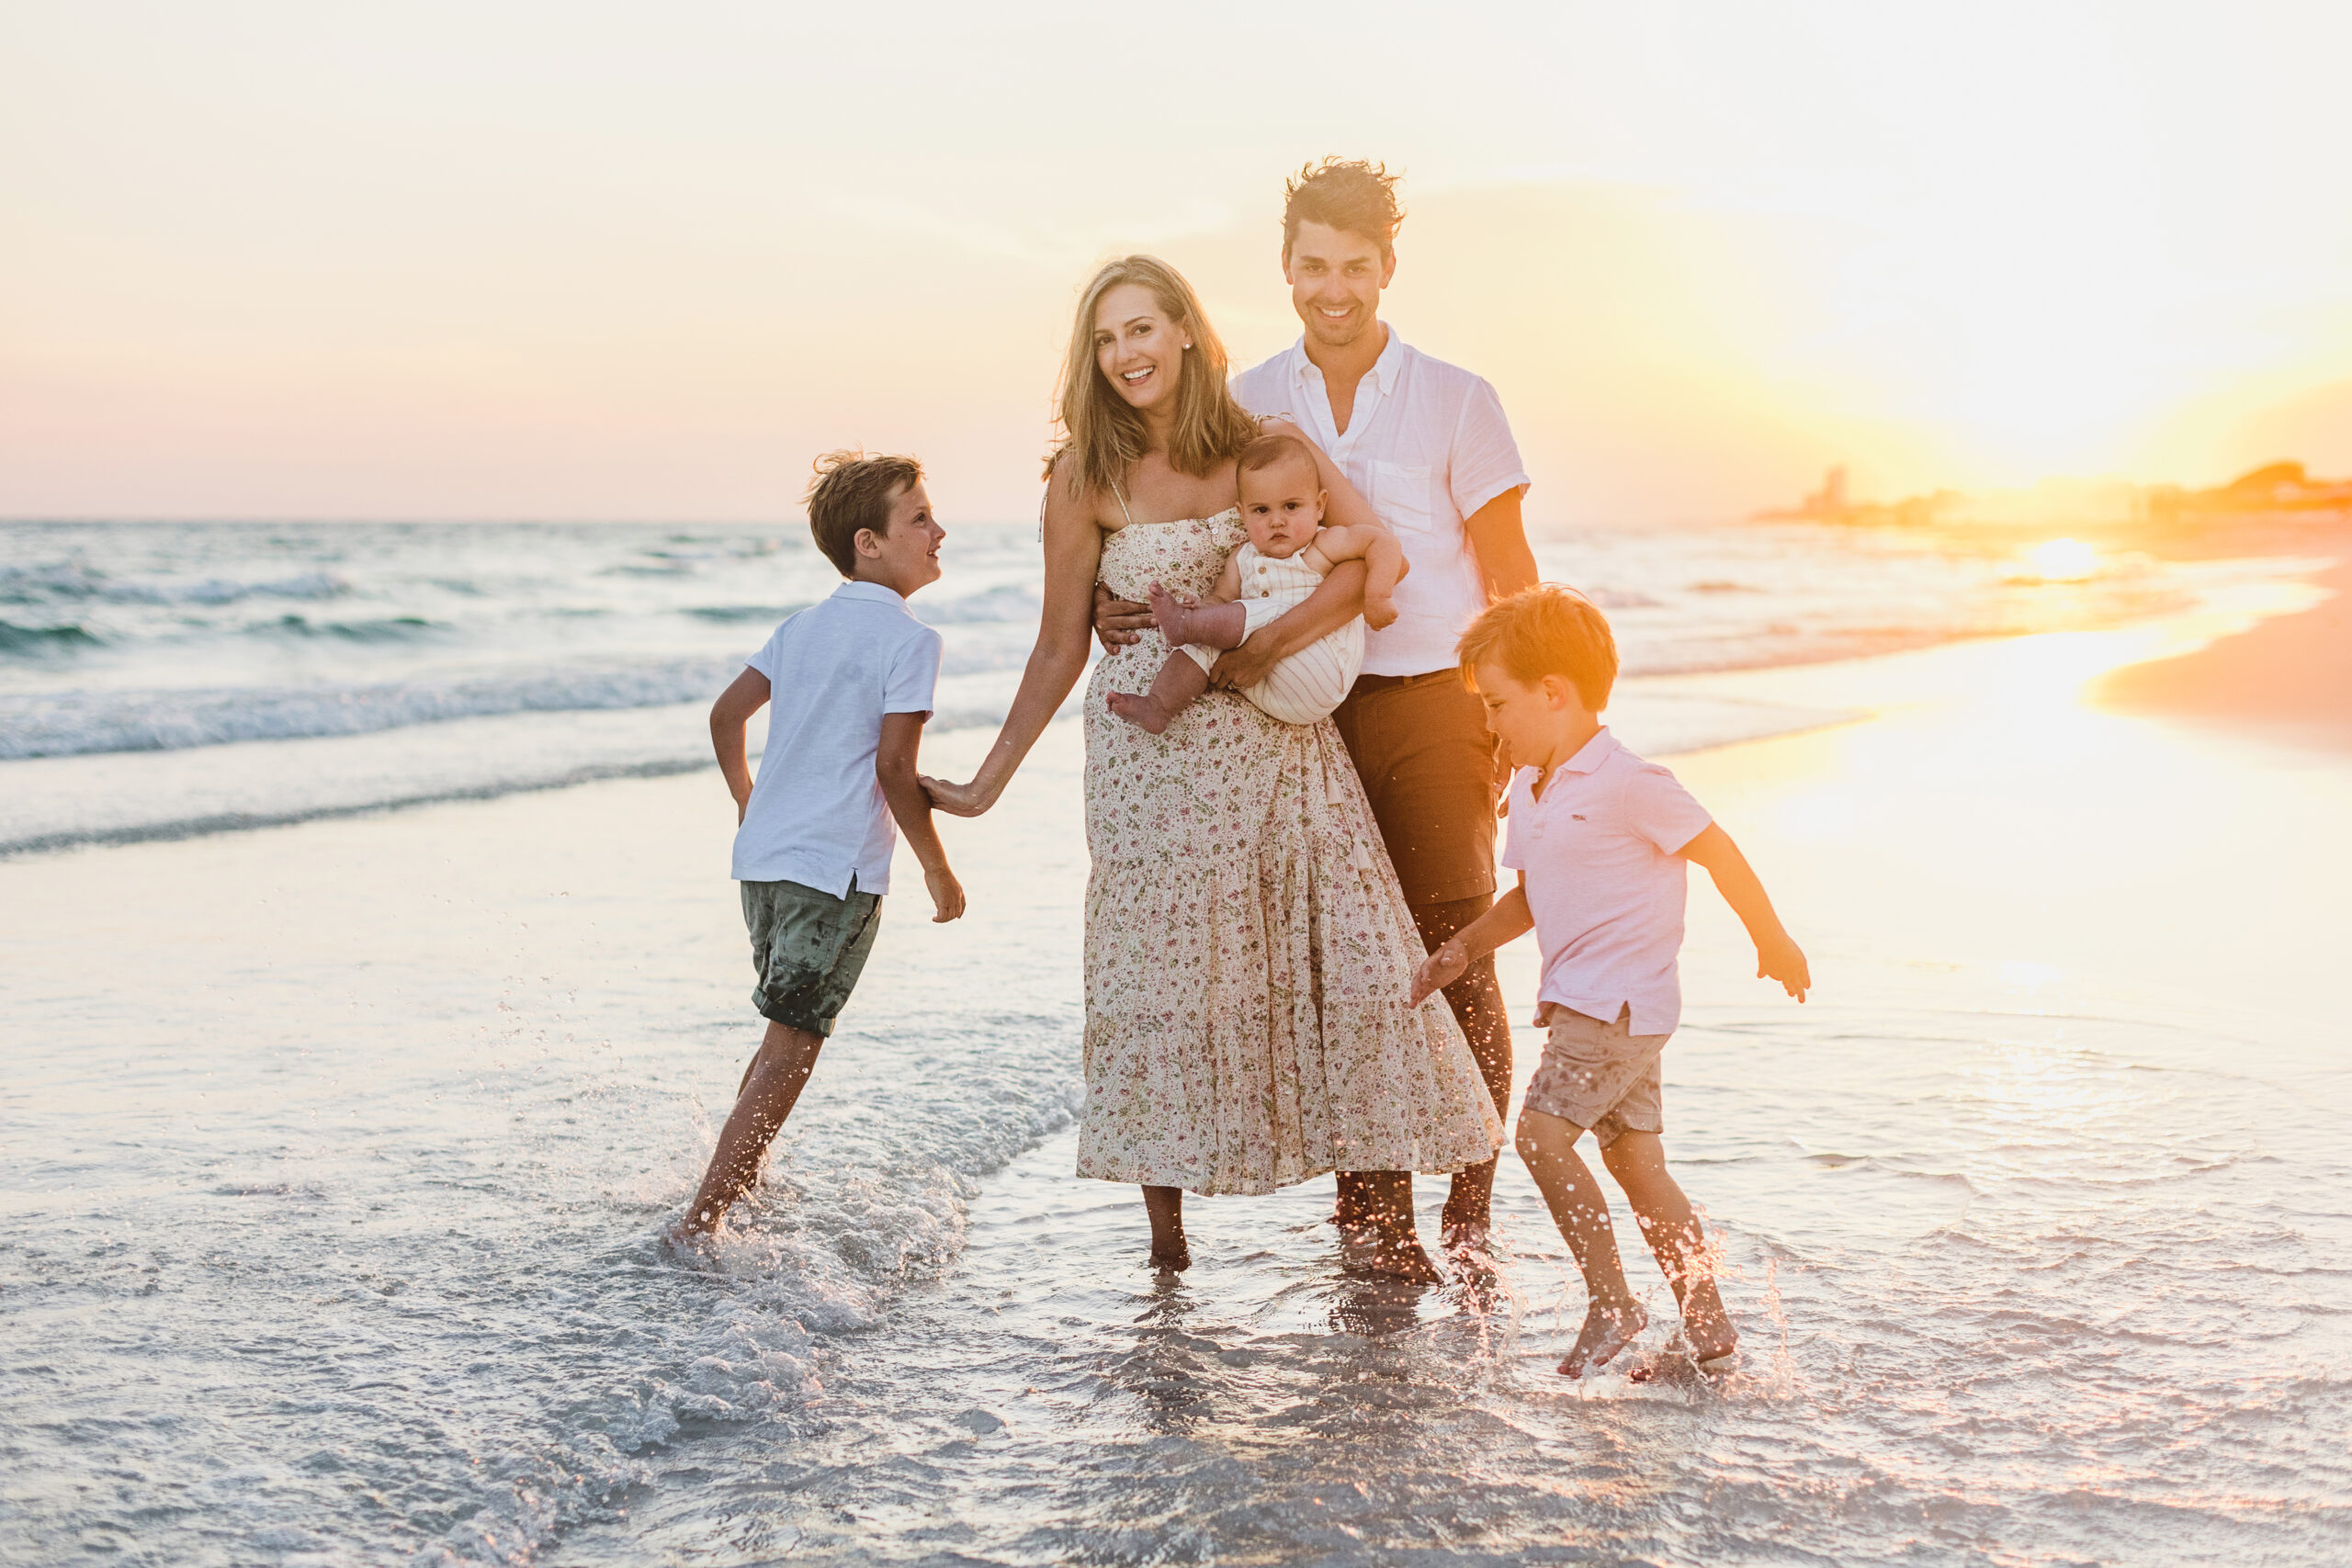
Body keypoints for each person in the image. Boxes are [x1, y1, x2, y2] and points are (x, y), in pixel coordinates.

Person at [922, 254, 1498, 1280]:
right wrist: (985, 781)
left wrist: (1261, 650)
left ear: (1185, 330)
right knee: (1160, 986)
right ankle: (1167, 1252)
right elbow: (1060, 644)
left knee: (1349, 972)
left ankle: (1387, 1231)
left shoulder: (1256, 446)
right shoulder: (1083, 479)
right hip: (1149, 764)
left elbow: (1370, 556)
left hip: (1278, 747)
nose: (1126, 354)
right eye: (1105, 340)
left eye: (1141, 329)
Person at [1097, 159, 1536, 1258]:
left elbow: (1512, 580)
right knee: (1350, 965)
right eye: (1310, 266)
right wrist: (1122, 607)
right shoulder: (1252, 403)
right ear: (1285, 267)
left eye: (1354, 267)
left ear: (1387, 267)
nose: (1331, 289)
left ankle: (1470, 1214)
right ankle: (1375, 1221)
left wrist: (1516, 730)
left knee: (1451, 947)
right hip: (1300, 728)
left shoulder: (1459, 398)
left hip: (1435, 701)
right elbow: (1192, 526)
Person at [1410, 586, 1812, 1377]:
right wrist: (1463, 947)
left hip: (1616, 1005)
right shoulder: (1530, 788)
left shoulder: (1631, 781)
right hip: (1594, 1007)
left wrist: (1771, 937)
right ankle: (1709, 1327)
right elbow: (1531, 896)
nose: (1490, 725)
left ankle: (1612, 1301)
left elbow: (1718, 849)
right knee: (1637, 1165)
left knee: (1538, 1136)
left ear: (1554, 693)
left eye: (1498, 706)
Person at [674, 451, 967, 1239]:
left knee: (780, 1033)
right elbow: (894, 768)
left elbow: (724, 717)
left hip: (763, 865)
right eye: (920, 518)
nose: (939, 530)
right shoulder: (911, 640)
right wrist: (939, 869)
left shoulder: (801, 627)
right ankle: (702, 1219)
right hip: (833, 874)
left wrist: (749, 800)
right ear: (868, 542)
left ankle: (737, 1183)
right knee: (792, 1050)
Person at [1106, 428, 1404, 734]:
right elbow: (1220, 600)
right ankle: (1159, 705)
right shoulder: (1242, 558)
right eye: (1261, 510)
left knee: (1263, 611)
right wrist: (1202, 609)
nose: (1277, 520)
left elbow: (1383, 543)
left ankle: (1185, 626)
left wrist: (1378, 596)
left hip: (1321, 673)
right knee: (1204, 640)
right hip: (1267, 686)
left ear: (1319, 506)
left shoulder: (1323, 545)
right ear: (1242, 514)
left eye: (1291, 506)